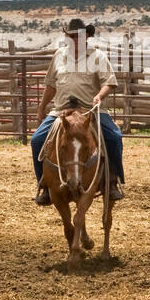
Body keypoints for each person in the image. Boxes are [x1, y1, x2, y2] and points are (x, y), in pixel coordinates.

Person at [31, 18, 125, 205]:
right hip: (61, 111)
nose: (73, 39)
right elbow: (51, 85)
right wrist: (42, 107)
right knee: (37, 140)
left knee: (114, 137)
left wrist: (99, 96)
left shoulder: (98, 56)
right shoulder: (59, 55)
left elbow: (109, 82)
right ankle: (45, 184)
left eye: (77, 36)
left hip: (90, 110)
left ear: (87, 36)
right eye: (70, 36)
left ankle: (112, 181)